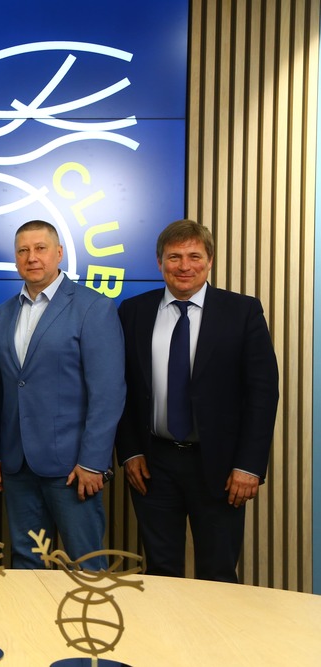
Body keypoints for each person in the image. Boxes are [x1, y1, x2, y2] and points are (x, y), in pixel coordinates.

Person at [116, 219, 279, 583]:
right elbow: (121, 387)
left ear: (210, 260)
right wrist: (130, 451)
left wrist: (249, 465)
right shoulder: (133, 311)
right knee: (160, 573)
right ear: (159, 262)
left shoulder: (242, 312)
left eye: (194, 256)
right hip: (153, 464)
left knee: (218, 573)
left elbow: (263, 393)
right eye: (174, 257)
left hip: (220, 467)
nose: (184, 266)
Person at [0, 220, 124, 571]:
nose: (32, 257)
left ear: (59, 253)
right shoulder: (3, 313)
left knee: (87, 564)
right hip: (17, 464)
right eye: (23, 251)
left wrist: (93, 462)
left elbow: (108, 394)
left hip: (73, 467)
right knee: (27, 562)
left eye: (40, 248)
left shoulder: (93, 308)